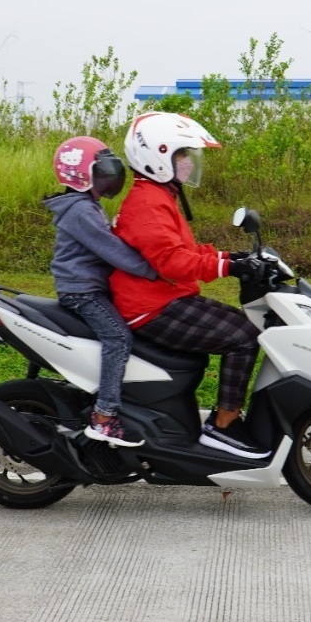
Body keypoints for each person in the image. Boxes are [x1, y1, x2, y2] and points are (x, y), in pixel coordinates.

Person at [109, 112, 271, 459]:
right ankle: (224, 426)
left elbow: (183, 251)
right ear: (158, 157)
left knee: (240, 328)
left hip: (165, 298)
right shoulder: (147, 205)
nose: (188, 163)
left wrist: (232, 256)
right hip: (152, 308)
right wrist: (227, 266)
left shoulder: (156, 197)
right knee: (243, 335)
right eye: (182, 155)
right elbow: (173, 262)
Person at [45, 135, 159, 448]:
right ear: (82, 176)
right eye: (103, 172)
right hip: (81, 292)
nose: (111, 177)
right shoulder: (80, 211)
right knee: (118, 337)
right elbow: (113, 251)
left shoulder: (85, 206)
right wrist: (156, 270)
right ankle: (104, 417)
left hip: (89, 287)